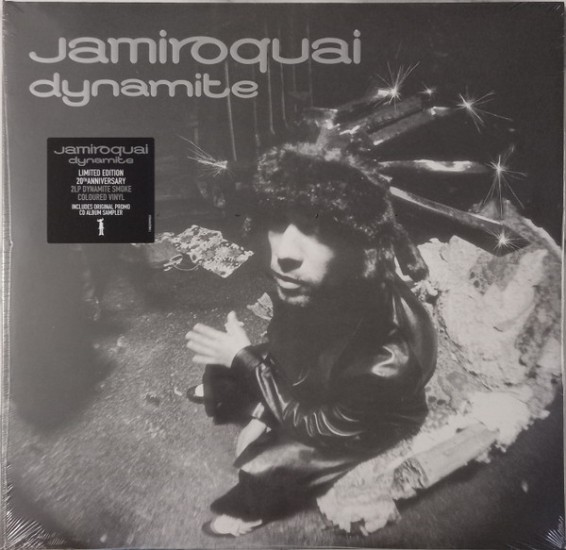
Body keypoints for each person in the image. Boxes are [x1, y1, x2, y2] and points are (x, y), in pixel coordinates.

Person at [185, 144, 437, 537]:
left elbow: (318, 426)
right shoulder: (320, 280)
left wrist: (250, 366)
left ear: (356, 247)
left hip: (370, 412)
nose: (283, 252)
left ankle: (253, 509)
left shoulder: (390, 358)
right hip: (328, 361)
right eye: (278, 222)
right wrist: (258, 391)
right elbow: (288, 336)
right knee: (224, 361)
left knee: (265, 466)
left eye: (314, 228)